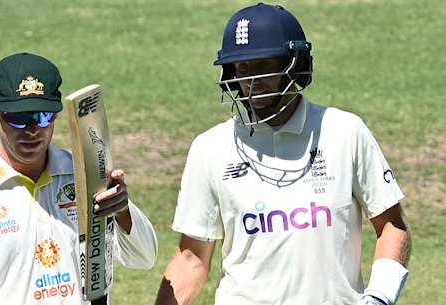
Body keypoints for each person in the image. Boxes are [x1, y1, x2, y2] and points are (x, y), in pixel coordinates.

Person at [154, 3, 411, 305]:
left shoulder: (345, 132)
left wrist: (380, 298)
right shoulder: (210, 148)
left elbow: (392, 227)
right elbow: (192, 259)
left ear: (295, 64)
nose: (252, 82)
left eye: (264, 65)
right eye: (243, 68)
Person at [0, 52, 158, 305]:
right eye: (18, 118)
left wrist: (122, 211)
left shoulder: (84, 175)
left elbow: (144, 257)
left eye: (43, 116)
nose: (32, 130)